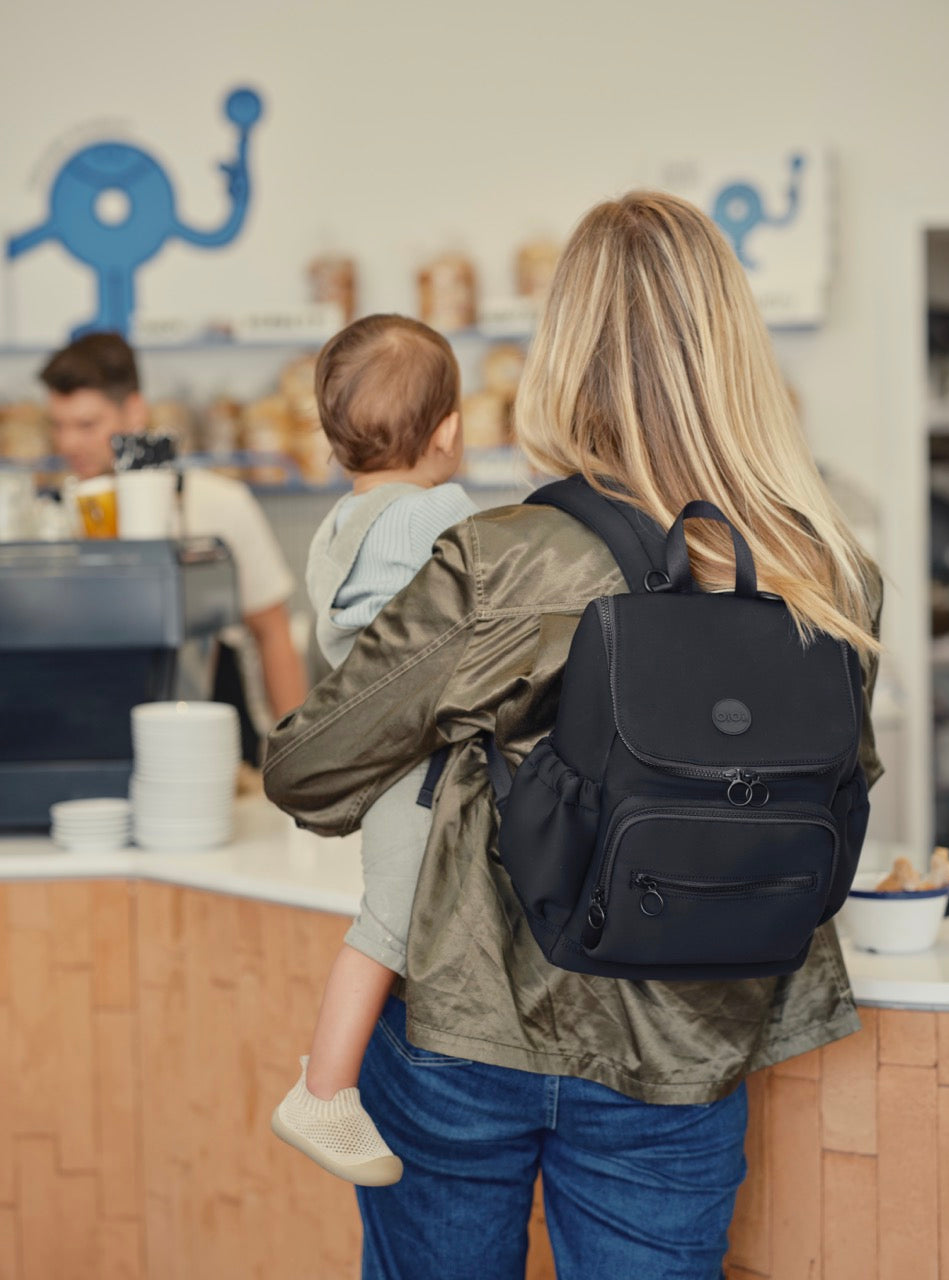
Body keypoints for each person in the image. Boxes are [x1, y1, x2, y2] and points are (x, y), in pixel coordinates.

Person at [263, 192, 886, 1280]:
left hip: (471, 1026)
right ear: (733, 349)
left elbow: (309, 771)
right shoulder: (828, 573)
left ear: (561, 355)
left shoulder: (500, 559)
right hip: (690, 1040)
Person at [270, 314, 477, 1184]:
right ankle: (324, 1088)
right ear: (451, 432)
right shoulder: (440, 513)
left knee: (393, 907)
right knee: (389, 920)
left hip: (378, 754)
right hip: (415, 767)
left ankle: (330, 1078)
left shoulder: (337, 527)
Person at [40, 332, 307, 739]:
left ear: (134, 412)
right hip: (96, 732)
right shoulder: (50, 517)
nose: (69, 443)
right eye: (58, 426)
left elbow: (273, 634)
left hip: (214, 745)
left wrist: (298, 754)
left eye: (87, 425)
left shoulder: (218, 504)